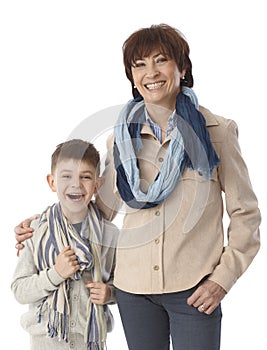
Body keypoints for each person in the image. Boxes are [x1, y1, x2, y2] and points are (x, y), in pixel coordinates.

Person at [14, 24, 261, 350]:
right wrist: (42, 224)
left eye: (161, 60)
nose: (151, 73)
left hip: (194, 290)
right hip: (133, 290)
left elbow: (246, 214)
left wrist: (222, 279)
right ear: (131, 76)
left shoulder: (217, 132)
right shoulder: (121, 139)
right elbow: (99, 208)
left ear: (182, 67)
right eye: (139, 64)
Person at [11, 139, 118, 350]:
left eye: (85, 177)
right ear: (52, 182)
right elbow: (19, 289)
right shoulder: (36, 231)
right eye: (66, 176)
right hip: (46, 342)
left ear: (97, 185)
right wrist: (55, 274)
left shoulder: (110, 235)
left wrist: (111, 293)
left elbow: (124, 283)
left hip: (91, 341)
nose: (76, 184)